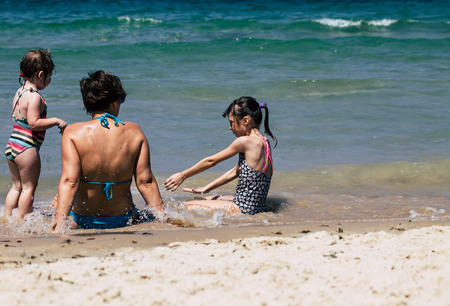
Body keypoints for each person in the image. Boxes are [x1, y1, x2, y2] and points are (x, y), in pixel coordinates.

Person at [52, 70, 164, 231]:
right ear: (113, 103)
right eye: (121, 99)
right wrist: (163, 218)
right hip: (123, 218)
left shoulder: (73, 132)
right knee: (142, 214)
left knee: (56, 208)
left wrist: (59, 223)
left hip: (83, 219)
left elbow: (70, 181)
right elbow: (145, 181)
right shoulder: (134, 131)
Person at [165, 96, 276, 215]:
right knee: (204, 199)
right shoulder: (264, 142)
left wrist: (182, 175)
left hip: (242, 208)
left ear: (245, 120)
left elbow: (211, 161)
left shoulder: (244, 141)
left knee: (184, 207)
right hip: (257, 207)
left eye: (231, 122)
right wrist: (207, 188)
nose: (230, 127)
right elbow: (235, 172)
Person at [4, 49, 67, 218]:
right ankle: (23, 220)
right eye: (49, 75)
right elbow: (34, 123)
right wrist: (56, 121)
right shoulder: (34, 97)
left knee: (16, 186)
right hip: (26, 148)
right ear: (40, 74)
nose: (50, 79)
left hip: (12, 145)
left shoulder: (19, 93)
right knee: (29, 187)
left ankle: (8, 217)